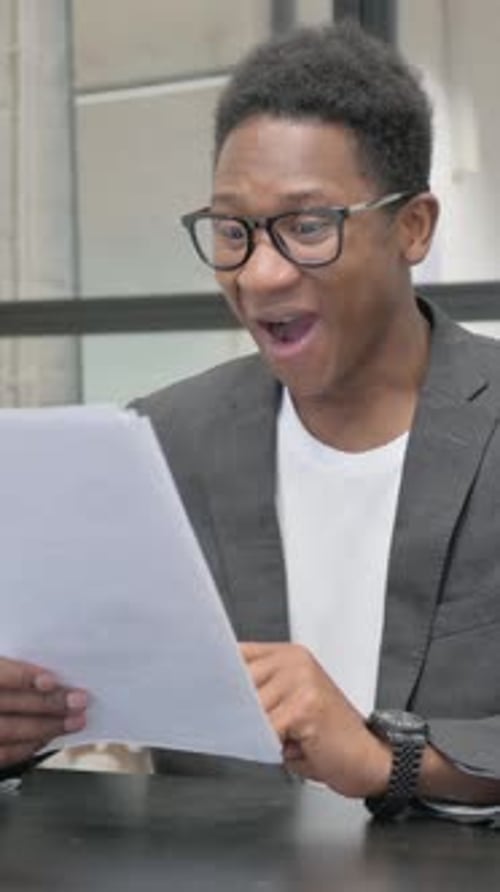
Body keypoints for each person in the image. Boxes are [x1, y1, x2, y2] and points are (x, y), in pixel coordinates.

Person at [2, 21, 500, 820]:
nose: (259, 275)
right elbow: (82, 693)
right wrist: (20, 724)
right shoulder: (159, 444)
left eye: (307, 227)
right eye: (233, 231)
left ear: (413, 227)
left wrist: (395, 759)